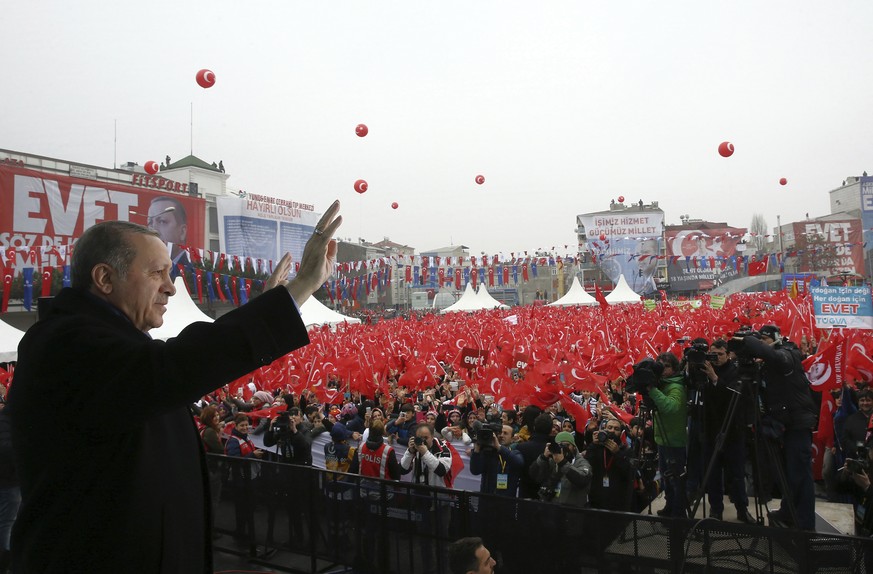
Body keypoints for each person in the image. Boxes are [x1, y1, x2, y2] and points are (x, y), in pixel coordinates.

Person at [7, 201, 342, 573]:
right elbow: (177, 365)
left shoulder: (110, 343)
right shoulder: (64, 343)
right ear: (104, 279)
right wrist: (295, 292)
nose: (170, 288)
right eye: (157, 273)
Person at [742, 325, 817, 531]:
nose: (760, 345)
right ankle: (787, 510)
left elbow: (775, 357)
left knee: (800, 475)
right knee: (786, 474)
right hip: (782, 424)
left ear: (775, 339)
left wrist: (751, 342)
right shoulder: (766, 364)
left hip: (798, 424)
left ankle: (805, 526)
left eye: (764, 340)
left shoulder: (789, 353)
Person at [698, 339, 754, 523]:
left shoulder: (736, 371)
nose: (716, 358)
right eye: (713, 354)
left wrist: (715, 378)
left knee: (736, 474)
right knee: (713, 473)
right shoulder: (703, 371)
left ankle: (741, 508)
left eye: (720, 354)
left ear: (728, 354)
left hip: (732, 430)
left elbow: (733, 397)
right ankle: (716, 509)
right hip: (711, 428)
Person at [648, 353, 689, 518]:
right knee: (666, 477)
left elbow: (670, 407)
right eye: (660, 365)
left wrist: (653, 391)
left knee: (676, 479)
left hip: (674, 441)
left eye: (666, 366)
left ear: (674, 368)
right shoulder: (663, 384)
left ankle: (679, 514)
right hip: (662, 438)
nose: (662, 370)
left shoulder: (676, 387)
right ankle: (669, 505)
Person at [529, 431, 593, 507]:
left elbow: (582, 479)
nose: (564, 448)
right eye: (560, 445)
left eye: (567, 445)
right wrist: (543, 457)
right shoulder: (552, 461)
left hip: (573, 510)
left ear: (574, 447)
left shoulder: (581, 462)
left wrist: (562, 462)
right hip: (551, 508)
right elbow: (534, 476)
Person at [585, 418, 635, 511]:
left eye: (616, 429)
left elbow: (629, 472)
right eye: (610, 427)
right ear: (604, 429)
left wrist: (617, 453)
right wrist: (593, 445)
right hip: (596, 500)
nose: (612, 431)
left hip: (617, 502)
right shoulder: (597, 447)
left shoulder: (626, 450)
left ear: (621, 432)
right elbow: (587, 465)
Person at [469, 424, 523, 497]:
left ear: (512, 439)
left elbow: (518, 463)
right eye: (500, 433)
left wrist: (499, 447)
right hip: (486, 499)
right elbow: (475, 471)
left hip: (506, 501)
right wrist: (477, 450)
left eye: (505, 433)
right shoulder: (487, 453)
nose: (501, 435)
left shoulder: (515, 453)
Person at [147, 195, 190, 270]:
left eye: (162, 221)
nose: (153, 229)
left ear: (182, 232)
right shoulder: (146, 271)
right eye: (150, 222)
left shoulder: (192, 274)